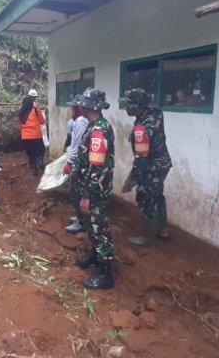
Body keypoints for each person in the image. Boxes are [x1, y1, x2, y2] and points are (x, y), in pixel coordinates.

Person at [72, 89, 115, 289]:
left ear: (91, 106)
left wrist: (87, 195)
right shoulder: (93, 126)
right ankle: (96, 257)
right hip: (89, 186)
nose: (80, 105)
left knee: (99, 227)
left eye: (83, 102)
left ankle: (106, 273)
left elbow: (96, 166)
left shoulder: (99, 131)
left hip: (95, 189)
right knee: (91, 224)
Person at [120, 89, 172, 246]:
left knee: (146, 199)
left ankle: (148, 239)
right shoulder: (155, 112)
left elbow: (141, 160)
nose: (126, 109)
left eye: (128, 105)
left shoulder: (141, 130)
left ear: (137, 106)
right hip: (163, 163)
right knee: (158, 195)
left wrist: (130, 181)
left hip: (151, 167)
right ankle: (162, 229)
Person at [62, 94, 89, 234]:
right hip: (84, 163)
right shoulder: (85, 121)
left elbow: (77, 144)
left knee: (75, 192)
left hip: (80, 163)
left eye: (73, 107)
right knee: (80, 192)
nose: (71, 109)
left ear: (79, 108)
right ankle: (82, 218)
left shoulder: (80, 122)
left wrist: (69, 162)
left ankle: (81, 221)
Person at [18, 90, 46, 175]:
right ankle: (39, 162)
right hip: (36, 135)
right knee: (40, 149)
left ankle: (33, 166)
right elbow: (42, 121)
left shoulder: (21, 112)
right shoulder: (35, 110)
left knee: (30, 153)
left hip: (26, 136)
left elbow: (20, 124)